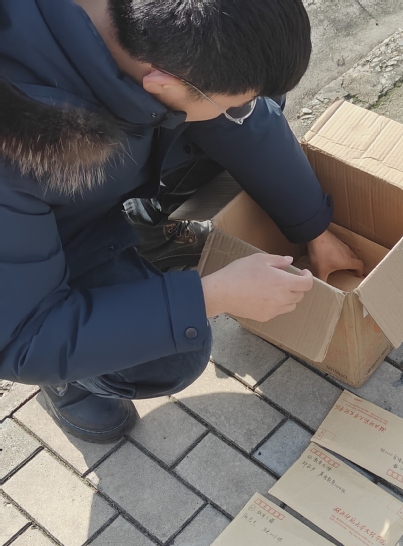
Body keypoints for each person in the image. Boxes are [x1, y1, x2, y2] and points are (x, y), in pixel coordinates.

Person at [0, 0, 364, 443]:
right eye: (237, 105)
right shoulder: (13, 150)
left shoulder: (163, 46)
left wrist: (312, 226)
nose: (244, 109)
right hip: (36, 252)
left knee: (248, 92)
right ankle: (67, 382)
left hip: (100, 164)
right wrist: (212, 296)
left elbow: (242, 120)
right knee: (168, 359)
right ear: (160, 82)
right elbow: (24, 337)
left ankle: (145, 224)